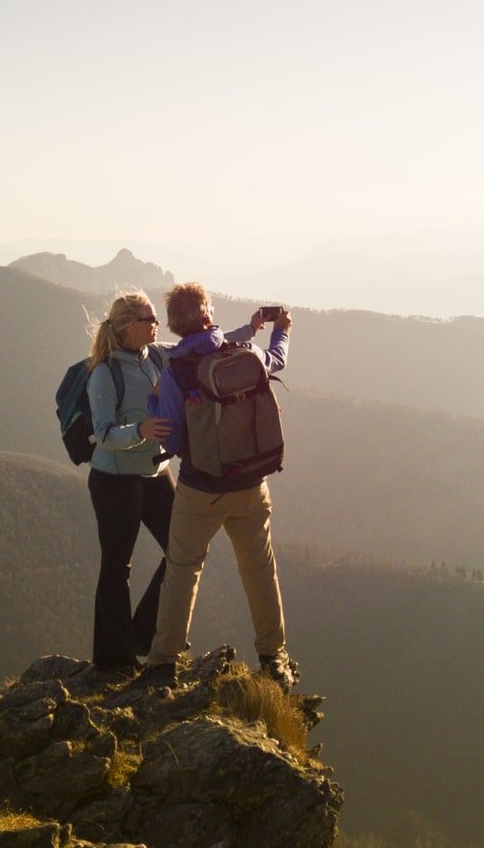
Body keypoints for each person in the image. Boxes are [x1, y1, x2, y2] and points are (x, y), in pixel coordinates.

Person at [141, 281, 299, 689]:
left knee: (182, 570)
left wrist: (153, 401)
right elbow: (276, 360)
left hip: (200, 490)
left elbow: (171, 438)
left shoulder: (176, 371)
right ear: (209, 313)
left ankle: (162, 663)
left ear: (175, 327)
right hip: (251, 484)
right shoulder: (244, 353)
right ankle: (273, 656)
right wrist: (281, 330)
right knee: (260, 570)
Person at [82, 291, 177, 671]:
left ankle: (141, 635)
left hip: (155, 473)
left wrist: (247, 332)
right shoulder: (103, 373)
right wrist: (141, 429)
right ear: (127, 326)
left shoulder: (153, 355)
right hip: (114, 480)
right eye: (150, 318)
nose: (158, 324)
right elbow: (103, 435)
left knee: (183, 551)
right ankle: (113, 660)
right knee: (118, 566)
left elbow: (195, 346)